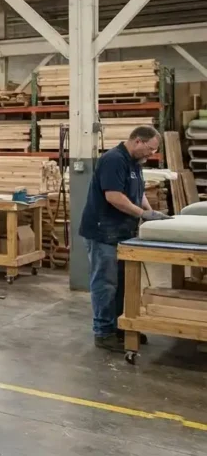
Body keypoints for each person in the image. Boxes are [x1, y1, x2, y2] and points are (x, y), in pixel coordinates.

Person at [79, 125, 169, 353]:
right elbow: (114, 197)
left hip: (122, 232)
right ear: (137, 141)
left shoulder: (136, 163)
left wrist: (151, 213)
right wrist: (142, 214)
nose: (151, 154)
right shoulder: (113, 160)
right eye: (149, 149)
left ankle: (119, 326)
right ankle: (104, 332)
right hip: (103, 232)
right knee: (106, 284)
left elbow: (137, 195)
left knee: (122, 284)